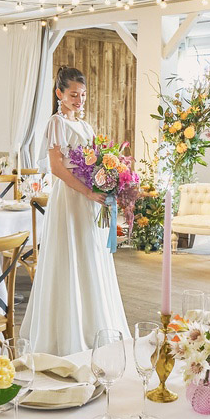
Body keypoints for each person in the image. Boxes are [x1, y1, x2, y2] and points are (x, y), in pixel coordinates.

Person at [20, 67, 130, 357]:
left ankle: (96, 325)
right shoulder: (56, 123)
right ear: (59, 94)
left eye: (82, 95)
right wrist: (87, 192)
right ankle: (67, 332)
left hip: (89, 201)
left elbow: (96, 162)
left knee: (90, 255)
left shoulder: (86, 126)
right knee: (69, 256)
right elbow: (57, 168)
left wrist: (106, 183)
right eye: (73, 95)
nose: (79, 100)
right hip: (70, 198)